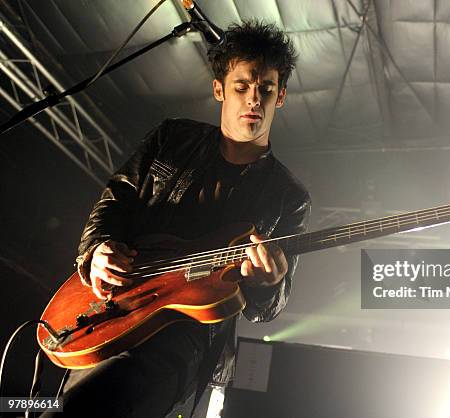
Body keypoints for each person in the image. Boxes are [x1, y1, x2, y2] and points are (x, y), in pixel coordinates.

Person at [42, 21, 310, 417]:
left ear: (281, 95)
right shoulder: (172, 137)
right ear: (219, 89)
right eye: (241, 87)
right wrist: (97, 249)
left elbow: (266, 307)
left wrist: (269, 284)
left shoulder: (288, 196)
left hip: (185, 340)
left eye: (266, 89)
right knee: (50, 406)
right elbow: (117, 198)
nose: (254, 99)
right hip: (117, 308)